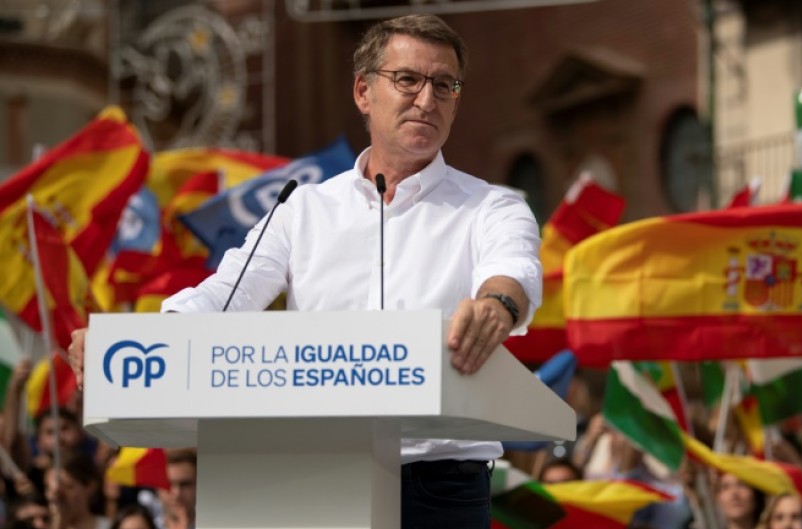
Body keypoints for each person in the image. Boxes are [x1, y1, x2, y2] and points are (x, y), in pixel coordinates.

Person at [68, 13, 542, 528]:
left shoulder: (492, 206)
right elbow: (224, 298)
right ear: (364, 91)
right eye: (408, 80)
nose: (427, 100)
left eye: (444, 85)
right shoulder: (302, 208)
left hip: (437, 486)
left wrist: (497, 306)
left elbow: (510, 268)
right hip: (314, 479)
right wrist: (129, 343)